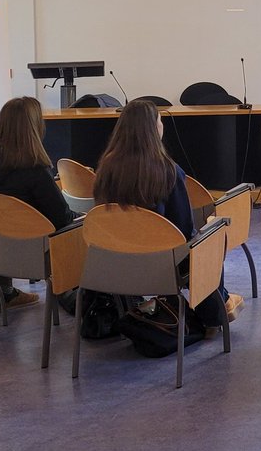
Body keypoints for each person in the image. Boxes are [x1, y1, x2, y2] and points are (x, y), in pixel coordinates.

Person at [92, 99, 238, 328]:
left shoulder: (105, 169)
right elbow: (183, 231)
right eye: (160, 120)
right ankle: (214, 314)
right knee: (211, 238)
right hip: (162, 268)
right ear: (153, 129)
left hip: (114, 263)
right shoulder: (168, 171)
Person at [0, 96, 74, 310]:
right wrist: (82, 217)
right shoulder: (35, 168)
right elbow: (60, 218)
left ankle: (6, 293)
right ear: (33, 126)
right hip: (37, 253)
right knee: (84, 226)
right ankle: (73, 296)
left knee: (13, 222)